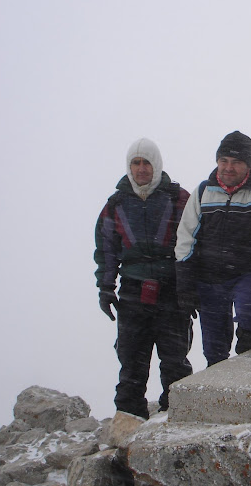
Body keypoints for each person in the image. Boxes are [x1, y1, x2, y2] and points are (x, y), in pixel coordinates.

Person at [94, 138, 194, 420]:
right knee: (131, 365)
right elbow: (106, 249)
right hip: (132, 294)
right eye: (135, 163)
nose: (141, 169)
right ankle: (128, 423)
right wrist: (105, 287)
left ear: (156, 165)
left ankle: (177, 420)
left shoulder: (179, 199)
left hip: (172, 293)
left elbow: (194, 242)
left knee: (175, 363)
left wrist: (191, 288)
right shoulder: (115, 204)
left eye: (146, 163)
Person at [175, 131, 251, 367]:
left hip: (249, 272)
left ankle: (248, 362)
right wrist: (184, 282)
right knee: (214, 347)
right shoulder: (203, 191)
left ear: (247, 165)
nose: (228, 168)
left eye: (236, 162)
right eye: (224, 161)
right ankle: (218, 384)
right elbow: (186, 237)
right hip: (209, 277)